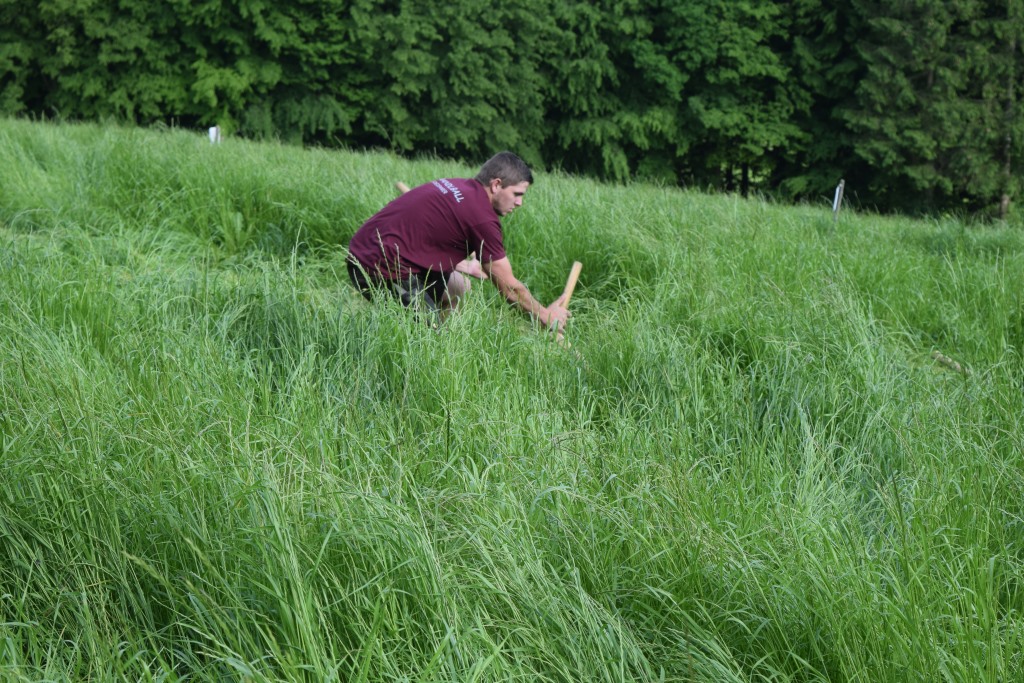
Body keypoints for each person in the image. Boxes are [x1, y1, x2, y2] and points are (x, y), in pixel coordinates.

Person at [347, 151, 570, 333]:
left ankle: (449, 337)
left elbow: (425, 238)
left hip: (364, 249)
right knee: (425, 340)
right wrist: (545, 315)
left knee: (459, 286)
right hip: (377, 268)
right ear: (496, 185)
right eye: (517, 194)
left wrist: (464, 265)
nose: (519, 203)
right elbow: (510, 289)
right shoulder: (482, 218)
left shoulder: (458, 186)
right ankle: (433, 343)